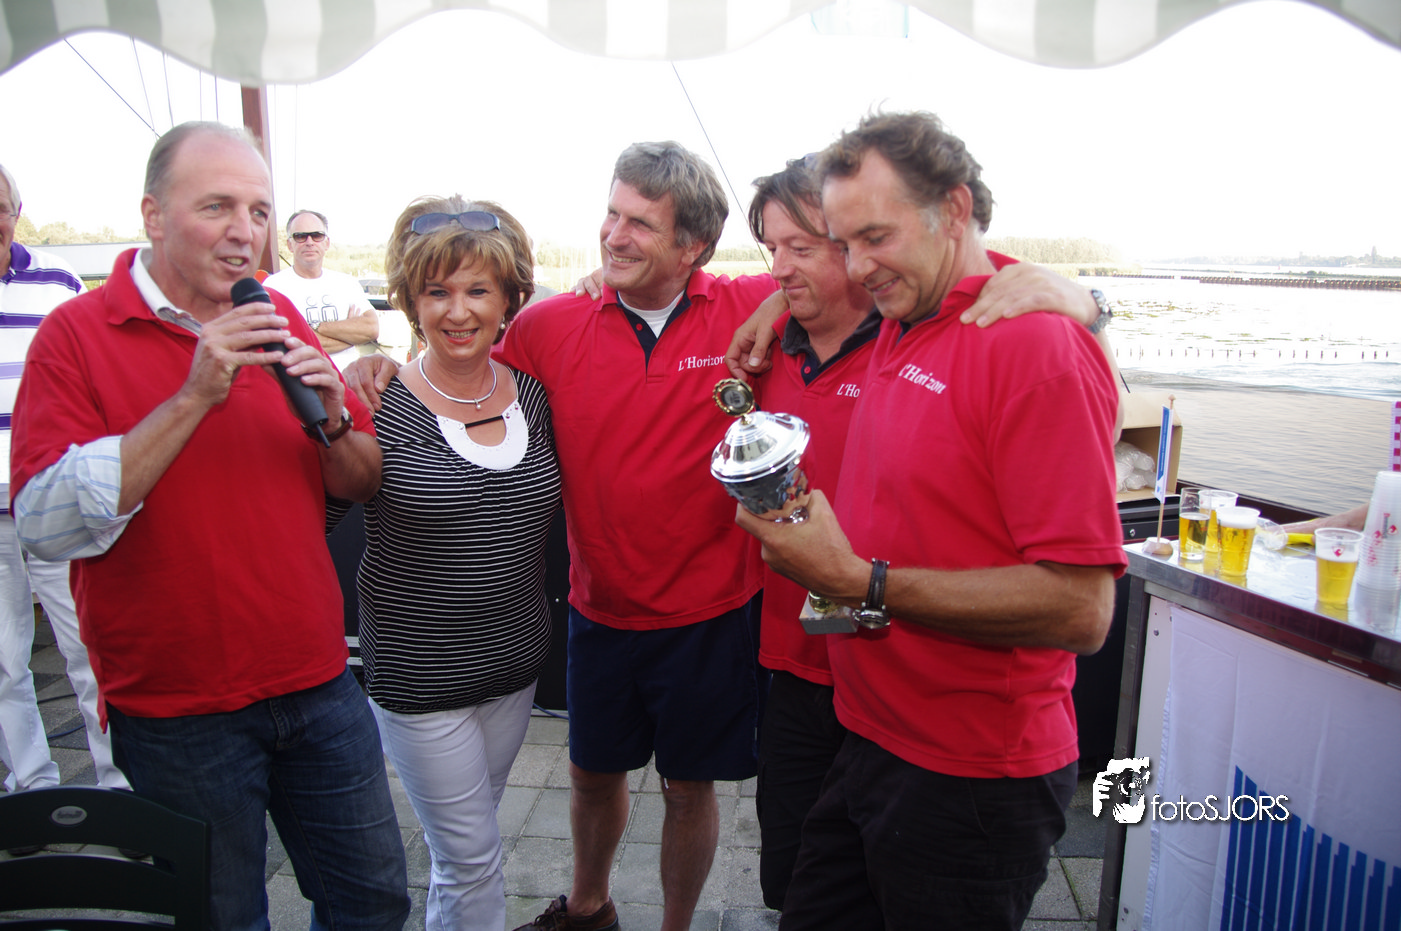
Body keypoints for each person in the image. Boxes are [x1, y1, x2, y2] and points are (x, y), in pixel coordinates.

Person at [9, 122, 408, 931]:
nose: (245, 231)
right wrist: (193, 395)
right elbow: (45, 522)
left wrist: (333, 418)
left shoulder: (279, 315)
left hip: (318, 680)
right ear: (153, 215)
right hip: (176, 709)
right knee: (222, 918)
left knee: (374, 901)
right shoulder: (76, 333)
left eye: (259, 211)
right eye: (217, 206)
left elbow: (363, 479)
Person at [734, 112, 1127, 930]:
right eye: (841, 243)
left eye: (873, 237)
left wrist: (857, 581)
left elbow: (1082, 610)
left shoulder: (1032, 347)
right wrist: (776, 302)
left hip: (970, 773)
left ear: (952, 208)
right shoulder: (905, 313)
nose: (856, 267)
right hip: (867, 733)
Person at [341, 196, 561, 931]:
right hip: (421, 678)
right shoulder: (377, 400)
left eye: (477, 290)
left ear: (509, 300)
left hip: (515, 667)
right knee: (471, 857)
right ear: (410, 301)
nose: (458, 311)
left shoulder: (535, 396)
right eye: (436, 291)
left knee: (469, 844)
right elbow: (312, 512)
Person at [0, 163, 131, 817]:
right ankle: (32, 788)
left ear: (16, 212)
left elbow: (92, 374)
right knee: (4, 658)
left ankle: (119, 789)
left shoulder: (56, 280)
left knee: (88, 648)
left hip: (54, 493)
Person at [265, 209, 381, 370]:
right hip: (301, 381)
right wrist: (349, 335)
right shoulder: (273, 287)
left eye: (317, 235)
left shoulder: (346, 283)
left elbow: (371, 328)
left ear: (326, 243)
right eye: (300, 236)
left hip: (348, 380)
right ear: (289, 245)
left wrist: (318, 327)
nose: (309, 242)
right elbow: (285, 343)